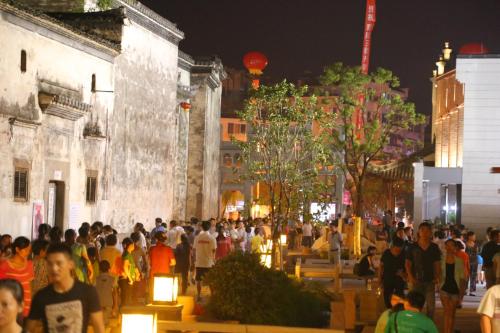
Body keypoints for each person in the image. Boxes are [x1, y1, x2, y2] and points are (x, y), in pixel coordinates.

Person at [26, 243, 104, 333]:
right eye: (50, 264)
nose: (54, 268)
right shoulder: (41, 297)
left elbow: (99, 327)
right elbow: (28, 329)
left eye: (59, 263)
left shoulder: (88, 292)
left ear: (71, 264)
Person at [405, 222, 441, 319]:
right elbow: (408, 264)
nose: (425, 233)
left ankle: (428, 327)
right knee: (414, 306)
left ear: (430, 233)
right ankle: (415, 326)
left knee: (431, 307)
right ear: (419, 232)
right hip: (415, 281)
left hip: (430, 281)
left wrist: (437, 276)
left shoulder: (434, 247)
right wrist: (410, 277)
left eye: (427, 231)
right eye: (422, 230)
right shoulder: (413, 246)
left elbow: (437, 263)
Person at [0, 237, 33, 318]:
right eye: (25, 250)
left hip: (27, 305)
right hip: (12, 305)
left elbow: (30, 287)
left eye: (29, 250)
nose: (28, 252)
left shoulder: (30, 264)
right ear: (17, 249)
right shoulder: (5, 265)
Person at [440, 239, 465, 333]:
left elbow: (462, 279)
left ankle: (449, 330)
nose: (449, 247)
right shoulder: (441, 259)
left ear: (455, 248)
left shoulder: (459, 261)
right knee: (447, 311)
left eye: (452, 245)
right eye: (448, 245)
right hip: (444, 288)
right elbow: (438, 273)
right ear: (445, 247)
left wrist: (461, 295)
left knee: (452, 313)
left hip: (455, 289)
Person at [379, 237, 406, 309]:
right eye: (396, 250)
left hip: (399, 279)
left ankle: (398, 311)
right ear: (392, 247)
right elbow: (381, 267)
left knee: (399, 297)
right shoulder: (386, 253)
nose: (398, 252)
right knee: (387, 296)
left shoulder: (403, 254)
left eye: (400, 250)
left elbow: (407, 268)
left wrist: (403, 275)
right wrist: (379, 279)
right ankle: (389, 310)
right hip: (388, 278)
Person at [193, 220, 216, 302]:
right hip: (209, 263)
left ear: (202, 227)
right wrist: (214, 260)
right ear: (210, 227)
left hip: (199, 262)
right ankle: (212, 295)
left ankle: (199, 295)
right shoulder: (212, 238)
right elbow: (214, 251)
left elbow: (194, 249)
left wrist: (194, 260)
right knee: (211, 280)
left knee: (198, 280)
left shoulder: (197, 237)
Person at [95, 260, 118, 325]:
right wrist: (115, 306)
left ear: (99, 269)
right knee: (105, 324)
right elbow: (115, 293)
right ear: (109, 269)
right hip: (108, 305)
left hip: (98, 306)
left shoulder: (95, 280)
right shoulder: (113, 279)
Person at [118, 238, 139, 306]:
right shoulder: (126, 255)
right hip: (126, 280)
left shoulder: (128, 254)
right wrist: (130, 278)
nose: (133, 245)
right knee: (125, 300)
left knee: (126, 299)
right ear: (129, 245)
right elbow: (125, 267)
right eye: (132, 244)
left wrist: (136, 274)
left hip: (127, 280)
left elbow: (131, 267)